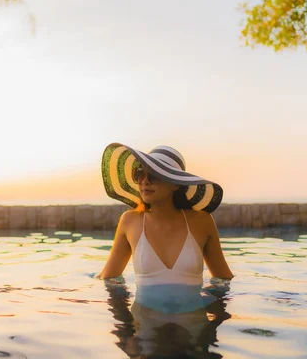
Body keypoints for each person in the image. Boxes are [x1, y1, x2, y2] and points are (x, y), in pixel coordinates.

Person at [97, 143, 234, 355]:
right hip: (144, 324)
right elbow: (110, 279)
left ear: (176, 184)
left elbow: (223, 279)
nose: (145, 181)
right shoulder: (130, 222)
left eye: (155, 175)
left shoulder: (202, 221)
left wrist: (212, 329)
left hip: (194, 325)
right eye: (140, 173)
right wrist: (124, 333)